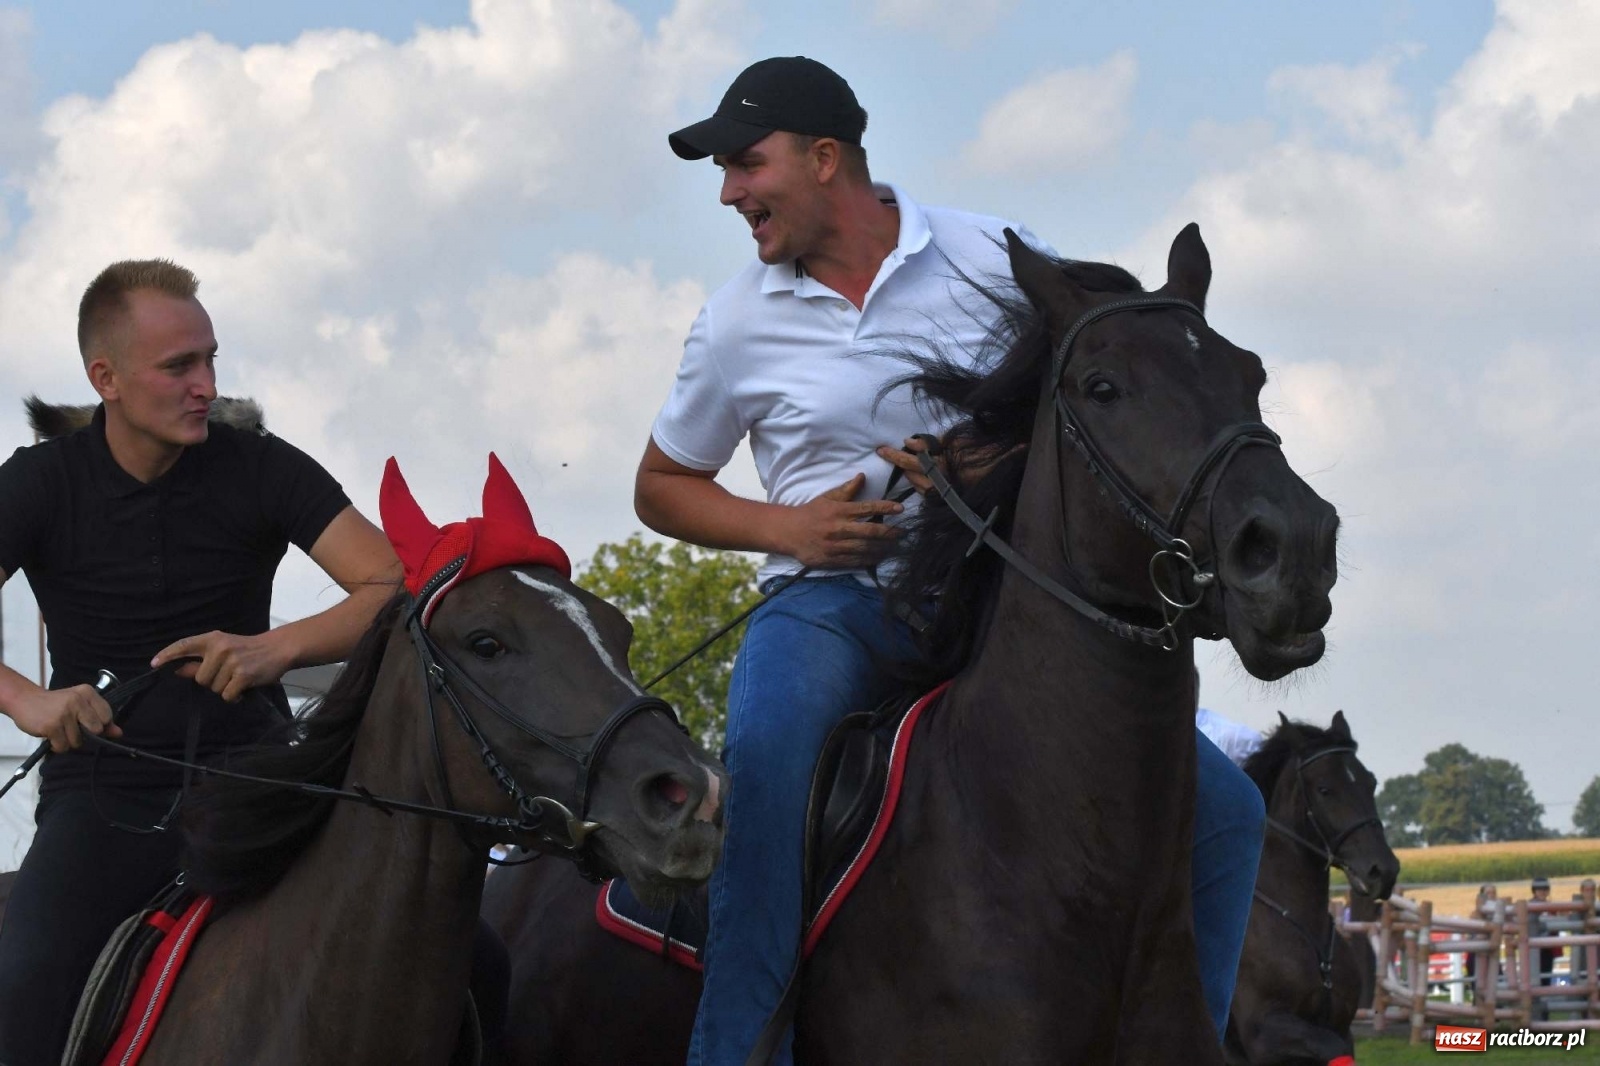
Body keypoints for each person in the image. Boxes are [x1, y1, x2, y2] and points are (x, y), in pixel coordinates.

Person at [640, 56, 1265, 1064]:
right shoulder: (734, 323)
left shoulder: (987, 257)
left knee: (1229, 812)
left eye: (745, 164)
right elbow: (660, 486)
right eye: (723, 172)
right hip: (827, 604)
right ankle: (739, 1046)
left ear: (825, 157)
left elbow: (1077, 398)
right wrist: (788, 529)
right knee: (764, 768)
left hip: (990, 604)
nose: (729, 192)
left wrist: (981, 460)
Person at [0, 259, 402, 1063]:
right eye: (180, 366)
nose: (206, 385)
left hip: (262, 782)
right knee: (22, 986)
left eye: (211, 359)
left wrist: (273, 650)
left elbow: (389, 583)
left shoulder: (263, 465)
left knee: (477, 963)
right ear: (105, 378)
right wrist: (24, 700)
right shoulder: (40, 481)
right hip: (101, 792)